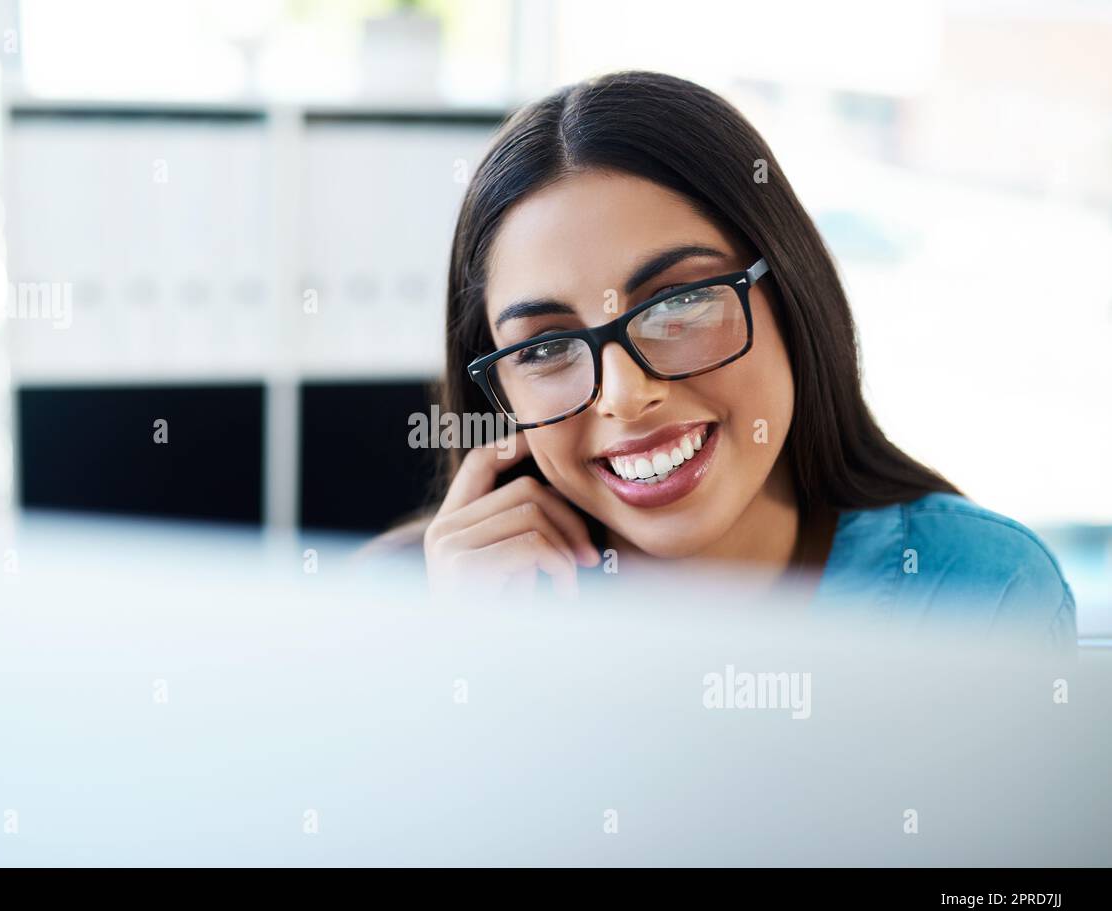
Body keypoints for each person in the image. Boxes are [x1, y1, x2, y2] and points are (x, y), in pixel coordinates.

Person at [364, 70, 1075, 644]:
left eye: (679, 305)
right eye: (546, 346)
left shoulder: (980, 592)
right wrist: (462, 657)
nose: (622, 394)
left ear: (789, 294)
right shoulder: (405, 609)